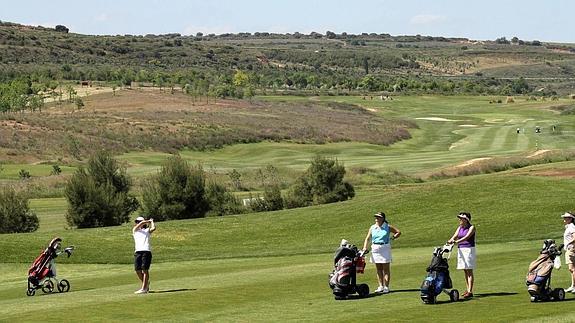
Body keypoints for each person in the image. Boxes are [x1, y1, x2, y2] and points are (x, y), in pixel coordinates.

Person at [362, 212, 401, 294]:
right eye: (376, 217)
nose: (376, 219)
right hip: (375, 249)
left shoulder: (387, 226)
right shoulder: (372, 227)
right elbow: (367, 238)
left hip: (385, 248)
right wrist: (365, 247)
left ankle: (386, 287)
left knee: (386, 269)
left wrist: (392, 238)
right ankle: (380, 286)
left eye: (378, 217)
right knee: (378, 269)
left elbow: (398, 232)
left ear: (382, 218)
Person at [448, 212, 476, 299]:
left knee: (469, 271)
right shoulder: (460, 227)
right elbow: (455, 236)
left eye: (461, 218)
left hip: (468, 250)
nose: (459, 220)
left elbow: (466, 237)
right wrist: (450, 240)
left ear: (466, 220)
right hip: (461, 250)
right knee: (465, 270)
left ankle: (470, 291)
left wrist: (456, 242)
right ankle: (467, 290)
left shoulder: (472, 227)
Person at [133, 216, 156, 294]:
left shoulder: (147, 230)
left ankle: (144, 288)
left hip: (146, 251)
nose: (137, 223)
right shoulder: (135, 230)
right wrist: (148, 220)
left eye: (138, 221)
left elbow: (153, 228)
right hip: (137, 252)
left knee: (145, 270)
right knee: (137, 270)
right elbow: (142, 223)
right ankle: (146, 284)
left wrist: (152, 221)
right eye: (136, 222)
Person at [562, 212, 575, 293]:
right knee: (572, 269)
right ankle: (573, 286)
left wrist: (568, 243)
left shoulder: (571, 227)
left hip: (571, 249)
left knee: (572, 269)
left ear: (570, 219)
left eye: (566, 217)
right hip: (570, 249)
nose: (564, 219)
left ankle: (574, 286)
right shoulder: (569, 227)